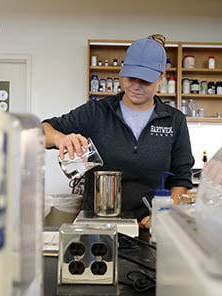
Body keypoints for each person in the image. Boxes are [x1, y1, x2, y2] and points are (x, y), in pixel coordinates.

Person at [42, 34, 194, 227]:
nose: (136, 87)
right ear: (122, 72)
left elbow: (182, 176)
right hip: (97, 226)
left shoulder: (174, 120)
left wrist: (165, 213)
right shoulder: (96, 112)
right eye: (131, 78)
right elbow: (41, 131)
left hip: (148, 226)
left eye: (145, 81)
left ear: (161, 78)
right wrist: (58, 138)